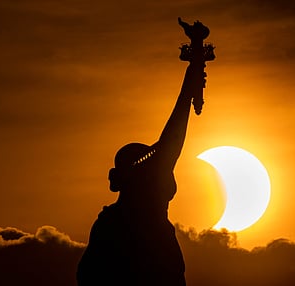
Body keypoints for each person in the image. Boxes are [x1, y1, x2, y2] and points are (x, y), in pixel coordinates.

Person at [77, 19, 209, 286]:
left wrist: (195, 65)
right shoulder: (113, 223)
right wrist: (195, 63)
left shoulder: (109, 223)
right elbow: (174, 130)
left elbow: (174, 129)